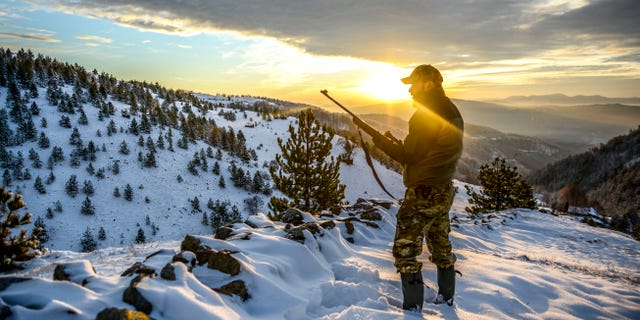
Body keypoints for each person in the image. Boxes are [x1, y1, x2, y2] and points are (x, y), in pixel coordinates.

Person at [368, 64, 464, 310]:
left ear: (429, 84)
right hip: (443, 189)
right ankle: (446, 299)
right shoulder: (450, 108)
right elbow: (425, 150)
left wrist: (380, 142)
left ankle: (412, 310)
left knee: (406, 250)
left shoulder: (426, 113)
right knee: (440, 243)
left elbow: (409, 155)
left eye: (414, 83)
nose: (410, 89)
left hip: (425, 192)